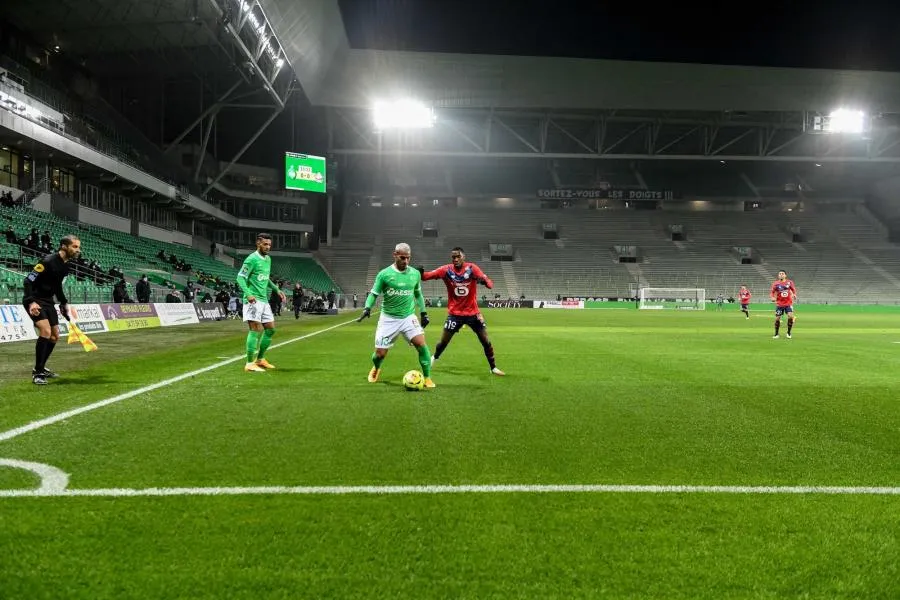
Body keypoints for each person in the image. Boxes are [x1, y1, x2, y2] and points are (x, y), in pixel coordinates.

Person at [358, 242, 435, 388]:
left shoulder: (415, 274)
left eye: (408, 258)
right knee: (380, 354)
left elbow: (418, 294)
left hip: (408, 317)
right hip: (388, 319)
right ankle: (376, 367)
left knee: (421, 344)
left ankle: (427, 377)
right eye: (402, 258)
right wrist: (367, 308)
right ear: (395, 255)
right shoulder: (384, 274)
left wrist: (424, 313)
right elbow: (373, 294)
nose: (405, 261)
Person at [419, 247, 504, 376]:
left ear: (464, 257)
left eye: (458, 256)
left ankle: (493, 368)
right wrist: (419, 272)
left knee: (485, 340)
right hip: (455, 315)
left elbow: (490, 284)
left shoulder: (472, 268)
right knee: (443, 342)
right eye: (453, 257)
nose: (456, 259)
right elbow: (426, 277)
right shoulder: (446, 270)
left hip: (473, 314)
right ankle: (434, 358)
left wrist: (484, 281)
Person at [22, 235, 80, 385]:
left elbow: (57, 286)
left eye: (78, 247)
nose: (78, 250)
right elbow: (28, 280)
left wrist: (64, 303)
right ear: (64, 246)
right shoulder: (47, 261)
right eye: (74, 247)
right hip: (35, 300)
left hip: (48, 301)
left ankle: (41, 367)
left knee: (54, 336)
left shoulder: (66, 265)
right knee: (46, 332)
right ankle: (37, 373)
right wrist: (31, 302)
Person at [236, 233, 285, 372]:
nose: (268, 247)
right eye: (265, 244)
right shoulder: (251, 259)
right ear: (258, 243)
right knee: (255, 329)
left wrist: (276, 289)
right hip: (253, 300)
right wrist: (249, 294)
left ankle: (260, 359)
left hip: (264, 300)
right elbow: (240, 278)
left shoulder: (268, 259)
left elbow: (265, 278)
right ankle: (249, 363)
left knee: (270, 329)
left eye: (269, 244)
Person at [770, 270, 797, 339]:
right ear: (778, 275)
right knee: (777, 318)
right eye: (780, 274)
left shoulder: (789, 282)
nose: (781, 275)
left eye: (782, 274)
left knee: (790, 316)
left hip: (788, 303)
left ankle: (788, 333)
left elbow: (793, 289)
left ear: (785, 275)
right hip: (779, 304)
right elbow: (772, 292)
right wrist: (772, 297)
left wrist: (794, 294)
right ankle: (776, 334)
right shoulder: (775, 283)